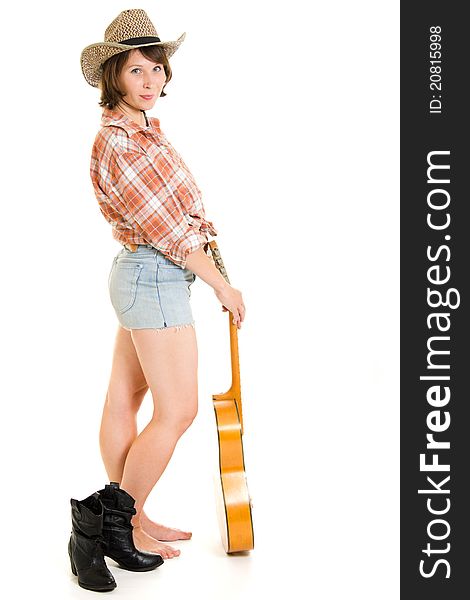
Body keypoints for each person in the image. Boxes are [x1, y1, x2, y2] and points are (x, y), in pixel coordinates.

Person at [79, 9, 246, 561]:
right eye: (136, 72)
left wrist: (212, 261)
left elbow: (183, 218)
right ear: (114, 78)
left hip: (147, 275)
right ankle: (111, 523)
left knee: (126, 398)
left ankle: (134, 518)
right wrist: (222, 284)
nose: (151, 82)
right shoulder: (121, 142)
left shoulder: (147, 130)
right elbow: (169, 232)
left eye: (157, 69)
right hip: (153, 275)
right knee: (179, 411)